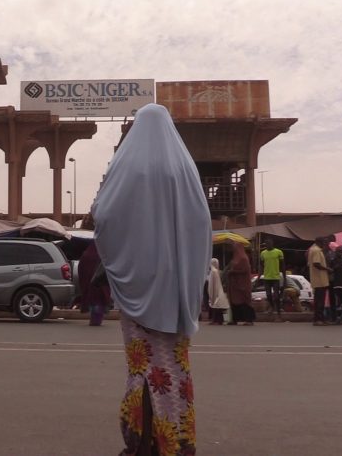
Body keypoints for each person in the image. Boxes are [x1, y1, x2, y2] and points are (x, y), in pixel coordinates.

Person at [92, 104, 211, 455]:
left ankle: (144, 443)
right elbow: (203, 223)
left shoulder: (128, 165)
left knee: (144, 366)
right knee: (173, 364)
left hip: (137, 286)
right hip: (178, 292)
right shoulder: (184, 167)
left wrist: (126, 259)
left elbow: (104, 214)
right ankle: (178, 440)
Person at [77, 240, 111, 326]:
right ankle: (96, 320)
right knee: (99, 301)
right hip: (100, 283)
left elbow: (81, 269)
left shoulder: (86, 254)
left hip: (90, 283)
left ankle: (94, 320)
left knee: (93, 300)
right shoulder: (102, 255)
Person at [225, 241, 255, 326]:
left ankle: (249, 320)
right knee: (234, 302)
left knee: (245, 302)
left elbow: (245, 270)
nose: (233, 249)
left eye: (235, 247)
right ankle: (234, 319)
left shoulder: (243, 258)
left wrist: (233, 272)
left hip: (242, 285)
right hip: (234, 285)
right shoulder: (235, 258)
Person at [259, 238, 286, 320]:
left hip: (275, 277)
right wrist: (259, 276)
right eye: (266, 244)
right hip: (266, 277)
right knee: (268, 295)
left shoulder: (278, 252)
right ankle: (271, 306)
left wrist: (285, 277)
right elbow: (261, 265)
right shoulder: (263, 253)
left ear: (272, 244)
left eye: (269, 243)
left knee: (276, 296)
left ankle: (278, 313)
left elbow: (283, 265)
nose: (268, 245)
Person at [308, 237, 332, 326]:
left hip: (318, 279)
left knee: (318, 300)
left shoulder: (313, 250)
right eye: (323, 242)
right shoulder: (317, 250)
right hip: (319, 280)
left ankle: (318, 319)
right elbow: (316, 264)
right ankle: (318, 319)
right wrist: (327, 269)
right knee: (320, 300)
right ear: (319, 242)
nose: (324, 244)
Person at [330, 246, 342, 324]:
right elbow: (330, 271)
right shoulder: (333, 261)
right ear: (336, 252)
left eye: (341, 251)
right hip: (337, 284)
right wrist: (335, 268)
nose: (340, 253)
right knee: (339, 301)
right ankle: (339, 317)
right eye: (338, 251)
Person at [207, 258, 230, 325]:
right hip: (218, 290)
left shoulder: (213, 271)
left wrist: (211, 291)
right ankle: (219, 320)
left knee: (215, 306)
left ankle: (215, 320)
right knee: (217, 306)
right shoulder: (215, 271)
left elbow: (212, 283)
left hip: (215, 290)